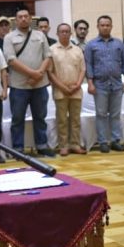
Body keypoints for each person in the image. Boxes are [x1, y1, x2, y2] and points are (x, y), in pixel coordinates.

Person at [3, 9, 55, 157]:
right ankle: (18, 149)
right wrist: (33, 74)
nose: (24, 19)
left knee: (40, 117)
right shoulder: (9, 37)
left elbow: (48, 56)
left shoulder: (40, 36)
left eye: (26, 16)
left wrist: (39, 74)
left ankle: (42, 145)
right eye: (20, 17)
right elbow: (11, 60)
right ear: (16, 20)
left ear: (30, 19)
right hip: (19, 86)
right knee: (17, 118)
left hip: (40, 85)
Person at [85, 15, 124, 153]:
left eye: (107, 25)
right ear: (98, 26)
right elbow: (88, 65)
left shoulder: (119, 43)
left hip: (117, 84)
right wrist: (90, 83)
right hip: (99, 84)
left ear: (111, 26)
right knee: (101, 114)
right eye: (102, 25)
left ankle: (116, 140)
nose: (105, 27)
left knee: (115, 114)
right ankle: (103, 141)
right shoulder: (91, 45)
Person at [49, 23, 87, 156]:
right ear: (57, 34)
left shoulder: (77, 50)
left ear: (71, 34)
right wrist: (63, 87)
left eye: (67, 32)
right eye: (62, 32)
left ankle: (75, 144)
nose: (65, 34)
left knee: (75, 119)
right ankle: (63, 145)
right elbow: (50, 72)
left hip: (76, 89)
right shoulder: (52, 50)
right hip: (60, 90)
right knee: (62, 120)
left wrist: (77, 84)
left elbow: (83, 69)